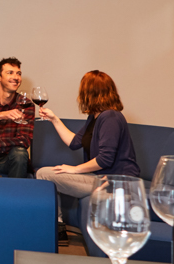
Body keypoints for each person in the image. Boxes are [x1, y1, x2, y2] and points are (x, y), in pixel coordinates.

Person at [36, 71, 143, 203]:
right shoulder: (94, 117)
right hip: (99, 177)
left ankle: (57, 221)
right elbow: (74, 142)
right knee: (47, 172)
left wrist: (75, 170)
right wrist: (54, 119)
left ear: (90, 93)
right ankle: (57, 221)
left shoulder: (110, 117)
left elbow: (105, 159)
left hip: (117, 181)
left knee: (44, 174)